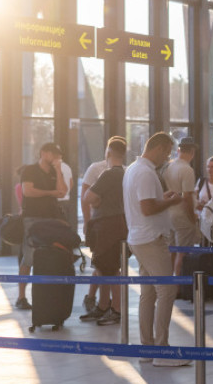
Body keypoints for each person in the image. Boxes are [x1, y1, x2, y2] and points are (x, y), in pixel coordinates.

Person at [123, 132, 190, 366]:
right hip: (150, 238)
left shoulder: (133, 169)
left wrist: (163, 197)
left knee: (149, 293)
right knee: (166, 291)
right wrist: (172, 201)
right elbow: (148, 208)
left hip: (139, 237)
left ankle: (148, 348)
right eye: (167, 153)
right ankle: (162, 350)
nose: (167, 158)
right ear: (159, 148)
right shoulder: (145, 172)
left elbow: (147, 202)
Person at [80, 140, 127, 326]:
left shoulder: (109, 174)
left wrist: (98, 202)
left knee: (111, 269)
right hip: (118, 225)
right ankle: (103, 305)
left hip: (107, 228)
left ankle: (115, 309)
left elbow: (88, 197)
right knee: (103, 267)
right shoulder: (126, 173)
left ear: (108, 153)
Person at [16, 142, 67, 310]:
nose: (57, 158)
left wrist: (58, 171)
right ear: (44, 153)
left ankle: (45, 297)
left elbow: (62, 191)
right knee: (29, 257)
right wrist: (51, 193)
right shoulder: (30, 170)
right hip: (32, 218)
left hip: (51, 219)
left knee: (49, 257)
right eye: (54, 154)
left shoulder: (54, 171)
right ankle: (21, 296)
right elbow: (28, 191)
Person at [163, 136, 199, 276]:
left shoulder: (169, 166)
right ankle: (178, 284)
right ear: (192, 152)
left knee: (172, 251)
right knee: (182, 253)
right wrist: (192, 218)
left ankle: (170, 282)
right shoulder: (187, 170)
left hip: (168, 214)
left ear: (179, 150)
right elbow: (187, 197)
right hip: (182, 216)